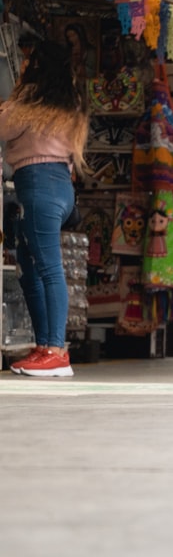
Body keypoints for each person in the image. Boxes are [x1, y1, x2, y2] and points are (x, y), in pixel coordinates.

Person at [0, 41, 89, 377]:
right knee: (30, 267)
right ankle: (44, 346)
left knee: (47, 269)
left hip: (39, 184)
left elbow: (4, 127)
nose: (22, 66)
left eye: (27, 61)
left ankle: (55, 351)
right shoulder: (67, 104)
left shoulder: (32, 103)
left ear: (37, 66)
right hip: (53, 186)